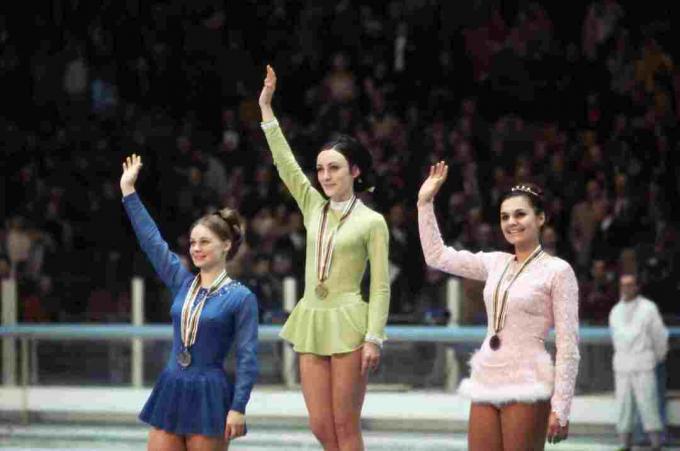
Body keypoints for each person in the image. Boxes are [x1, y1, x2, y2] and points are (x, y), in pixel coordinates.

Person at [258, 65, 390, 450]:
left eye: (333, 168)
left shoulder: (373, 221)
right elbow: (286, 164)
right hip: (311, 315)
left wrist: (374, 338)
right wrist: (267, 109)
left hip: (350, 319)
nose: (324, 176)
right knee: (320, 427)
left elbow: (380, 285)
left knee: (345, 427)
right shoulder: (313, 206)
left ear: (355, 171)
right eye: (320, 169)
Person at [417, 162, 579, 450]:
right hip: (487, 375)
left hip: (528, 378)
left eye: (520, 214)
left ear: (540, 218)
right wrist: (425, 202)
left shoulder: (558, 271)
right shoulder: (495, 263)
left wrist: (561, 407)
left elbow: (568, 346)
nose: (511, 222)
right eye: (505, 216)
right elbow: (437, 256)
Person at [120, 154, 259, 451]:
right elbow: (151, 241)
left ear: (226, 245)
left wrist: (239, 407)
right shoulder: (182, 283)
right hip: (172, 384)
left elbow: (248, 358)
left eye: (204, 242)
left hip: (210, 391)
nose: (196, 248)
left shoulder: (241, 297)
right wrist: (129, 192)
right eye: (193, 242)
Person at [609, 273, 668, 451]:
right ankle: (624, 443)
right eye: (623, 285)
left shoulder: (648, 308)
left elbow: (660, 337)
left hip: (644, 363)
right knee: (623, 406)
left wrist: (656, 357)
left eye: (630, 285)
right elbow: (616, 340)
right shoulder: (615, 311)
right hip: (623, 365)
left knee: (648, 403)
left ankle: (656, 443)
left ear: (636, 287)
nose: (626, 289)